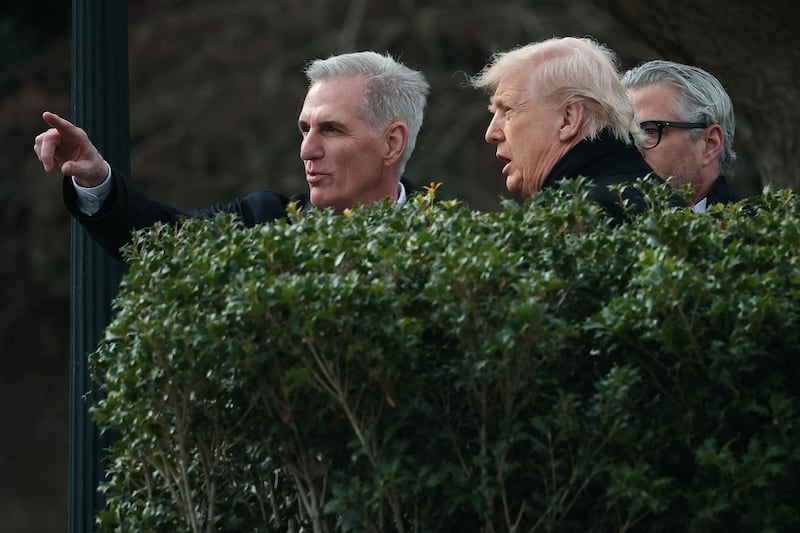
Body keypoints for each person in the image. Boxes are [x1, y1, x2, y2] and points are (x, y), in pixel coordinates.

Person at [34, 51, 430, 261]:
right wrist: (94, 178)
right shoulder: (261, 225)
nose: (307, 150)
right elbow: (158, 243)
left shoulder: (452, 247)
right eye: (305, 129)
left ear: (392, 143)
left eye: (332, 129)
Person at [470, 36, 686, 221]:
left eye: (508, 110)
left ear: (568, 119)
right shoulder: (662, 203)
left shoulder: (581, 219)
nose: (491, 134)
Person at [621, 60, 741, 212]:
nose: (631, 150)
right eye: (626, 136)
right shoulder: (598, 225)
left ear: (710, 143)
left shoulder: (754, 232)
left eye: (649, 131)